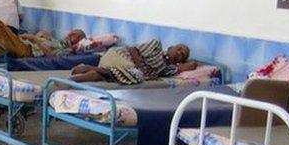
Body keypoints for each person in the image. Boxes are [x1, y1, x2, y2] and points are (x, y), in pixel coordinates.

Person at [69, 40, 198, 84]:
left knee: (107, 76)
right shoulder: (156, 45)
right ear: (171, 47)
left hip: (117, 69)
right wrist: (140, 67)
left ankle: (81, 76)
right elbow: (133, 50)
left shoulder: (168, 69)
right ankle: (88, 68)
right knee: (137, 75)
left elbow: (191, 66)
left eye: (183, 55)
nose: (180, 53)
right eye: (179, 49)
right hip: (118, 55)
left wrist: (184, 64)